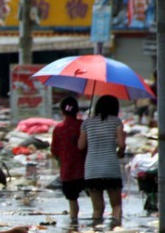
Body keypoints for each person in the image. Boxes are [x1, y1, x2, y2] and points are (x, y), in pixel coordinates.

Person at [78, 95, 126, 225]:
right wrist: (120, 153)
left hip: (92, 169)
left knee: (98, 208)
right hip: (111, 168)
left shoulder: (87, 122)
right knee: (116, 206)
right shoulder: (116, 121)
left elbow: (80, 146)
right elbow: (121, 145)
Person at [51, 96, 86, 225]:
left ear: (62, 111)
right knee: (96, 200)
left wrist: (60, 161)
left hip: (68, 171)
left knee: (72, 201)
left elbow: (54, 150)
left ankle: (74, 223)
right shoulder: (83, 125)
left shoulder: (59, 128)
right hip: (85, 169)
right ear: (77, 110)